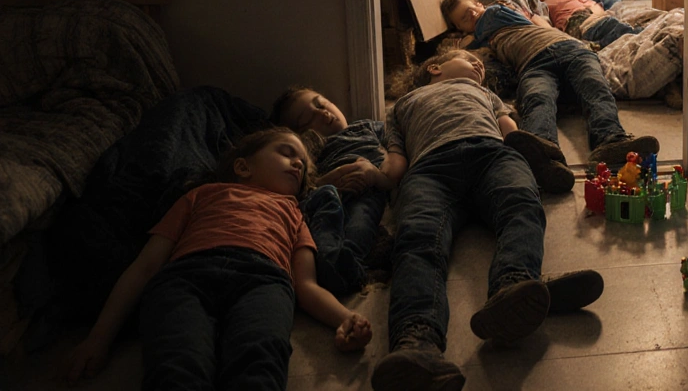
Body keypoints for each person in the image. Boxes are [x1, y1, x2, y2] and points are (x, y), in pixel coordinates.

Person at [66, 128, 372, 390]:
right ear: (242, 167)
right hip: (186, 277)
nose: (297, 164)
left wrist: (344, 319)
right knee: (177, 359)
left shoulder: (294, 213)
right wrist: (98, 339)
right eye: (286, 152)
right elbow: (145, 266)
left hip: (263, 281)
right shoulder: (202, 194)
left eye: (303, 166)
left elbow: (305, 285)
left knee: (260, 356)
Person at [371, 50, 604, 391]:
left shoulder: (487, 94)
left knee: (521, 205)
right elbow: (395, 163)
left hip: (492, 154)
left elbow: (513, 135)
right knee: (417, 239)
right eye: (467, 57)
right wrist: (369, 176)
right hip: (429, 169)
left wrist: (537, 157)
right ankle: (416, 342)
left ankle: (512, 289)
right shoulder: (404, 104)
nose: (479, 63)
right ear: (434, 67)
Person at [441, 0, 658, 175]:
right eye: (464, 18)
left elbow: (466, 43)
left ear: (480, 4)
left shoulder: (494, 12)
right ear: (460, 27)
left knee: (595, 89)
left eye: (471, 9)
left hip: (567, 48)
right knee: (536, 98)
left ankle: (610, 141)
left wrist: (467, 36)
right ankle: (543, 153)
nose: (471, 15)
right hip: (532, 64)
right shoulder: (488, 38)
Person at [271, 86, 392, 296]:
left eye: (321, 104)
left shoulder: (366, 127)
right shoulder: (311, 148)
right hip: (328, 193)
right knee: (321, 225)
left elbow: (397, 145)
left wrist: (378, 175)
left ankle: (348, 263)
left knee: (360, 220)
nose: (322, 113)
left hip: (365, 185)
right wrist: (322, 182)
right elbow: (300, 185)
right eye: (308, 119)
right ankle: (326, 261)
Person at [537, 0, 642, 49]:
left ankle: (597, 44)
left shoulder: (544, 7)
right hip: (584, 19)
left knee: (615, 33)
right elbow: (593, 6)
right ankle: (599, 44)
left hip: (573, 30)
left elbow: (546, 25)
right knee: (623, 29)